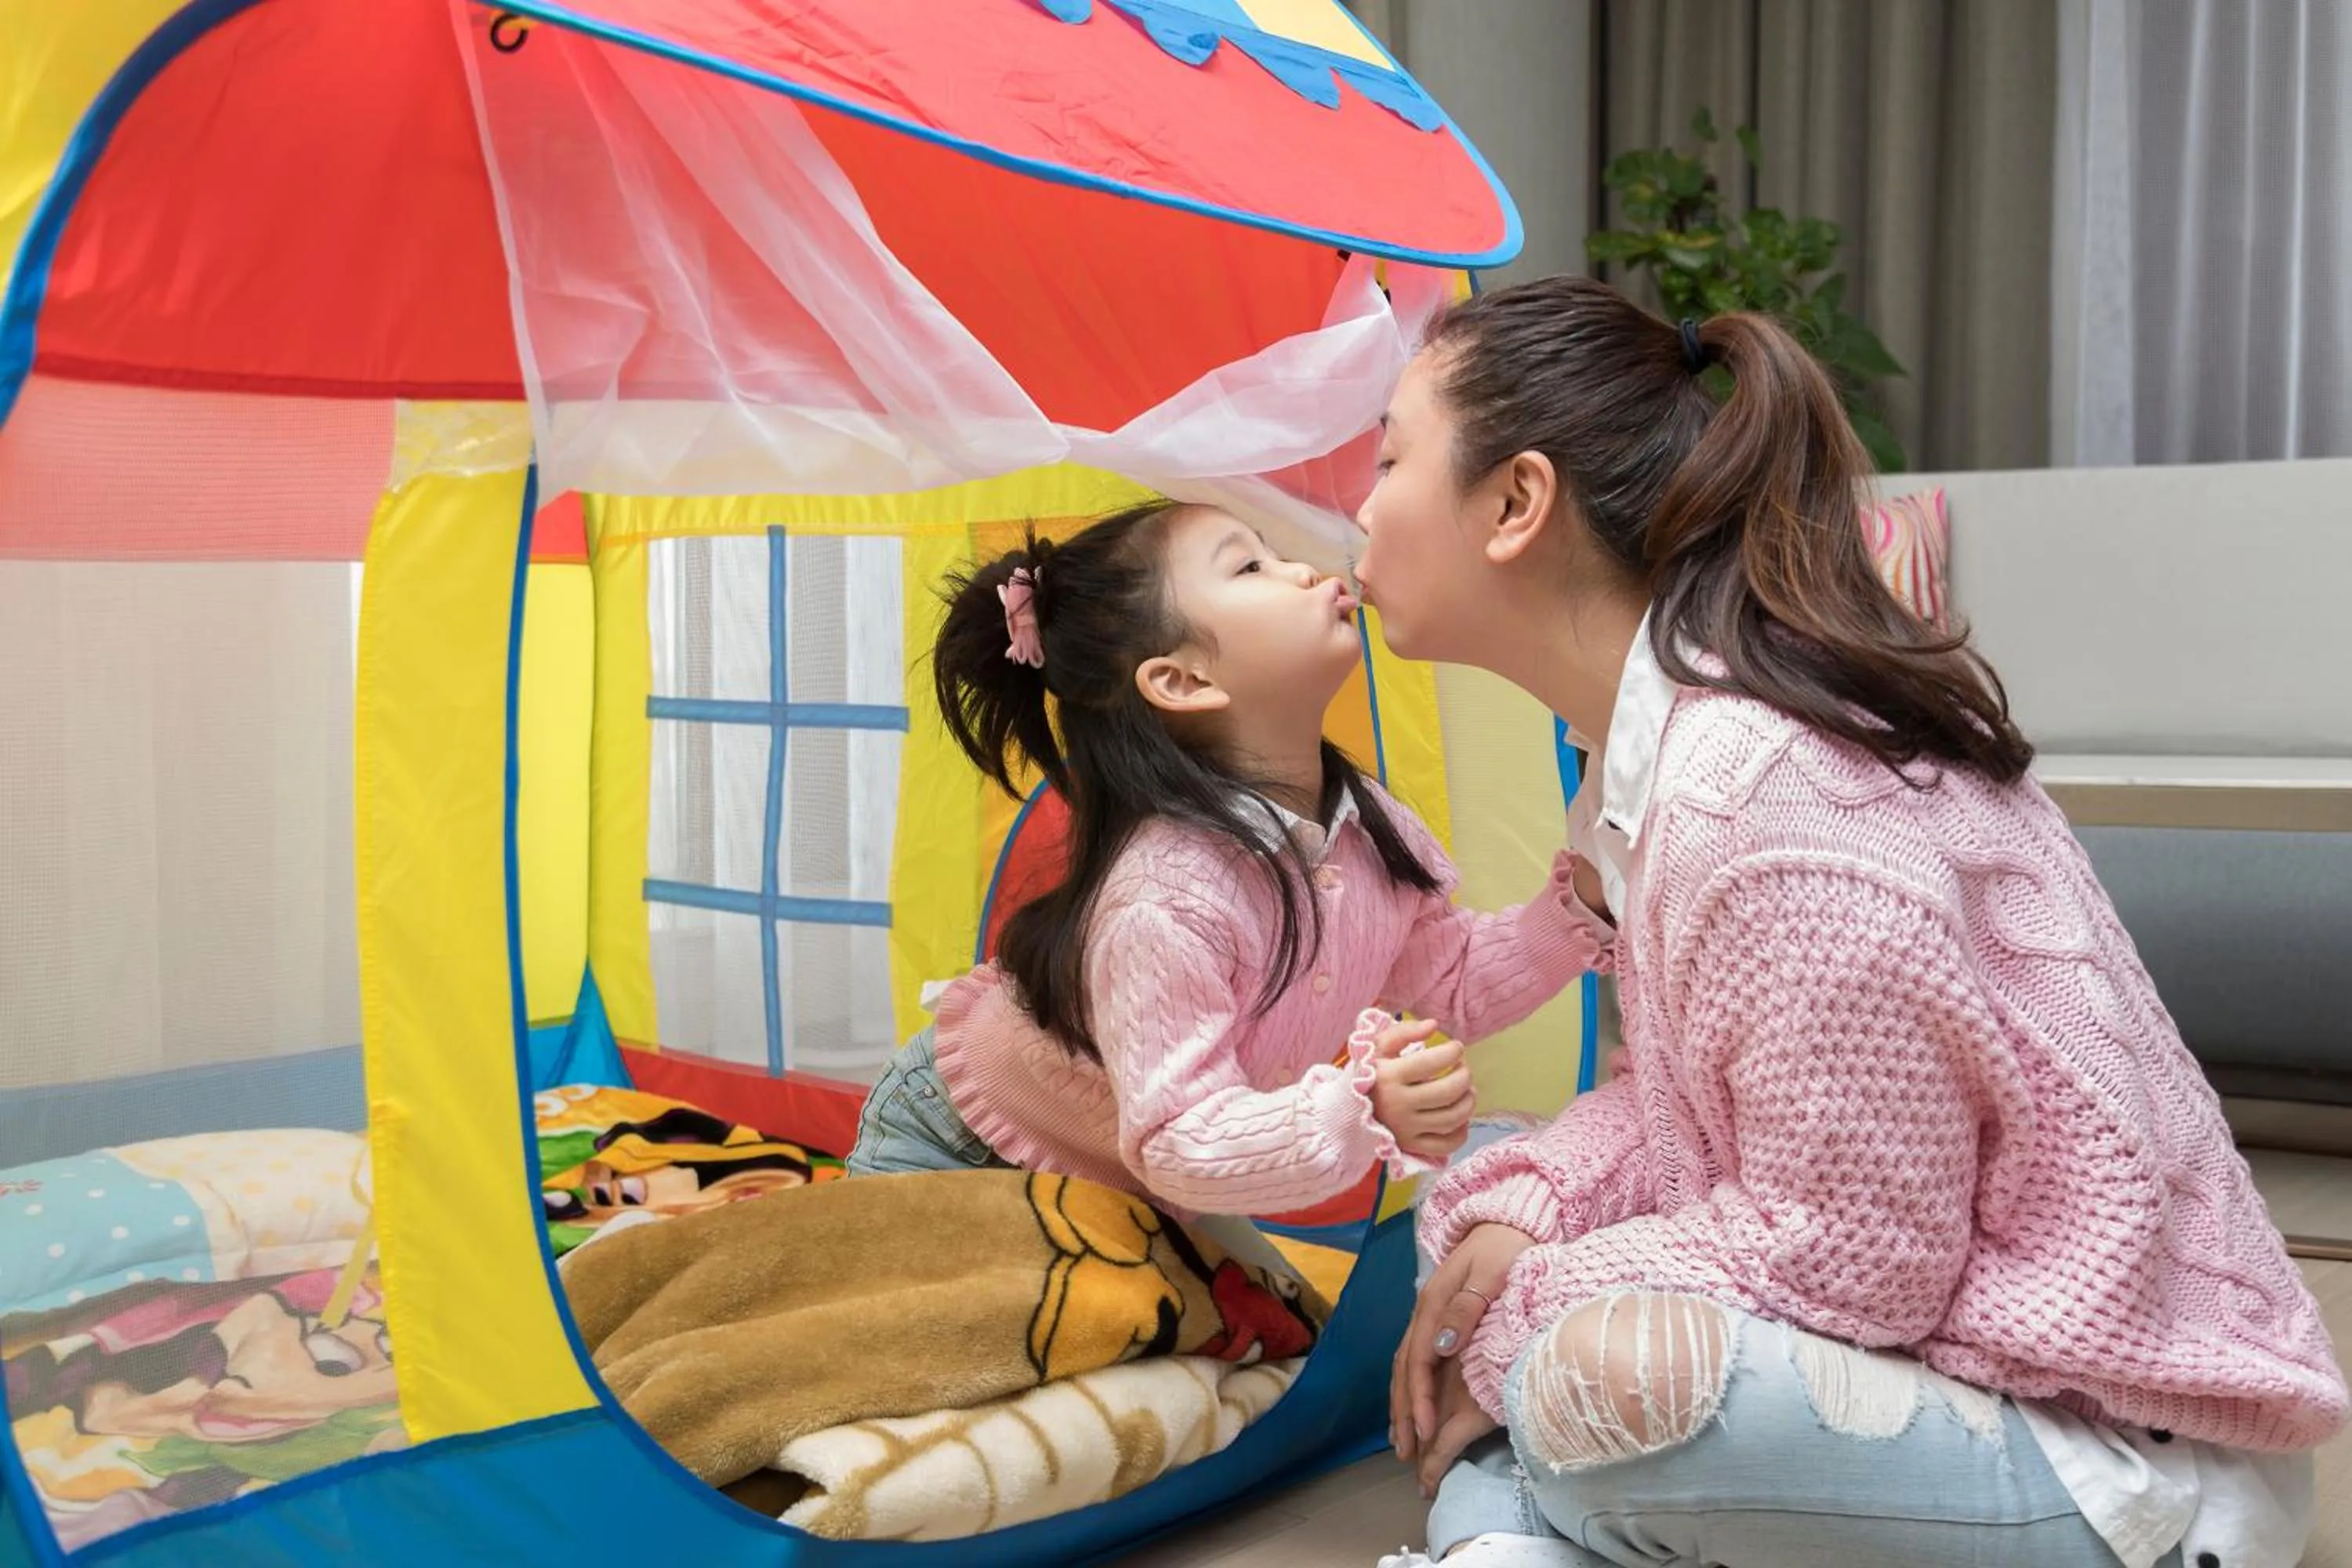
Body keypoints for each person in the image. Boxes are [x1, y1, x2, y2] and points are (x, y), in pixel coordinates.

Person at [1358, 276, 2347, 1568]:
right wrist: (1526, 1216)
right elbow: (1692, 1108)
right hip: (1948, 1365)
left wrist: (1522, 1314)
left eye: (1388, 458)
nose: (1361, 508)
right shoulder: (1649, 770)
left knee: (1568, 1385)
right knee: (1511, 1250)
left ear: (1515, 504)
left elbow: (1856, 1263)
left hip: (2113, 1456)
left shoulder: (1764, 807)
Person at [848, 499, 1604, 1240]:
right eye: (1250, 566)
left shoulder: (1365, 824)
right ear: (1182, 681)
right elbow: (1181, 1139)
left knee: (1274, 1338)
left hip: (1137, 1181)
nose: (1305, 574)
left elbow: (1454, 980)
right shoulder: (1168, 899)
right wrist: (1360, 1107)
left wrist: (1585, 910)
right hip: (958, 1148)